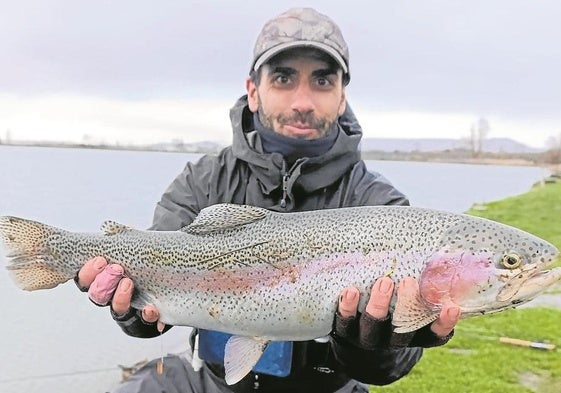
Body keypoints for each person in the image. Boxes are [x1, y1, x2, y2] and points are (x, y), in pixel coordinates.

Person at [76, 7, 461, 393]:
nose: (303, 101)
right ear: (253, 91)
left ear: (342, 97)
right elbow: (153, 288)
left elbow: (390, 368)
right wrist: (136, 315)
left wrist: (369, 343)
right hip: (212, 383)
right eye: (283, 78)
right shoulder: (203, 181)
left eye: (322, 81)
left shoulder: (380, 205)